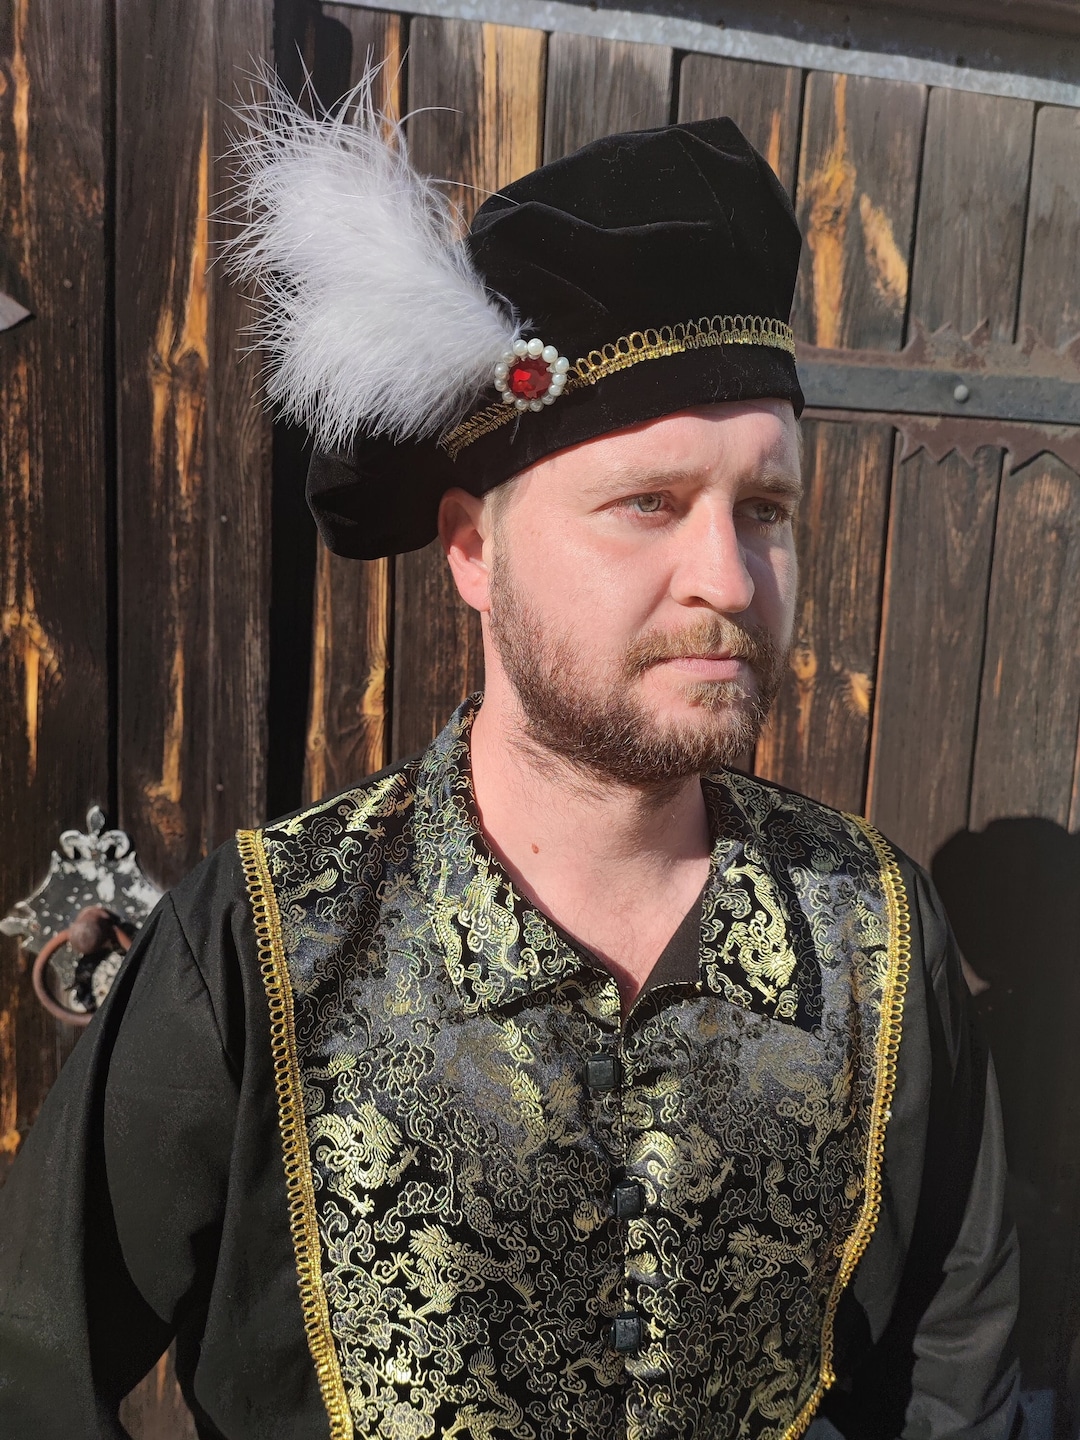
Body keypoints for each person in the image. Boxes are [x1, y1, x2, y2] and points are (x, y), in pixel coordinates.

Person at [0, 76, 1021, 1440]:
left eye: (763, 508)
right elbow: (30, 1367)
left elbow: (959, 1378)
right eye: (646, 504)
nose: (726, 575)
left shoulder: (878, 937)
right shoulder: (260, 955)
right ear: (473, 549)